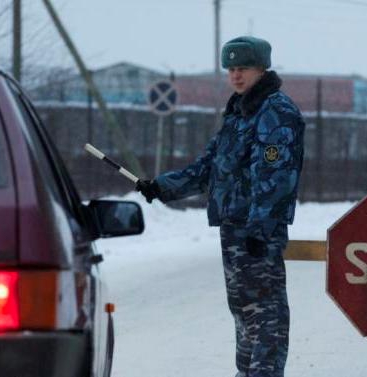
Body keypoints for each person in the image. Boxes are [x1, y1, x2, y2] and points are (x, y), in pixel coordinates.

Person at [136, 36, 305, 377]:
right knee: (244, 314)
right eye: (230, 69)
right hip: (233, 230)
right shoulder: (239, 113)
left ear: (261, 68)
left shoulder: (276, 112)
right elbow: (208, 167)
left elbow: (273, 179)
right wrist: (162, 187)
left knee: (267, 316)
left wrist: (260, 229)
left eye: (243, 68)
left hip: (257, 234)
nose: (235, 76)